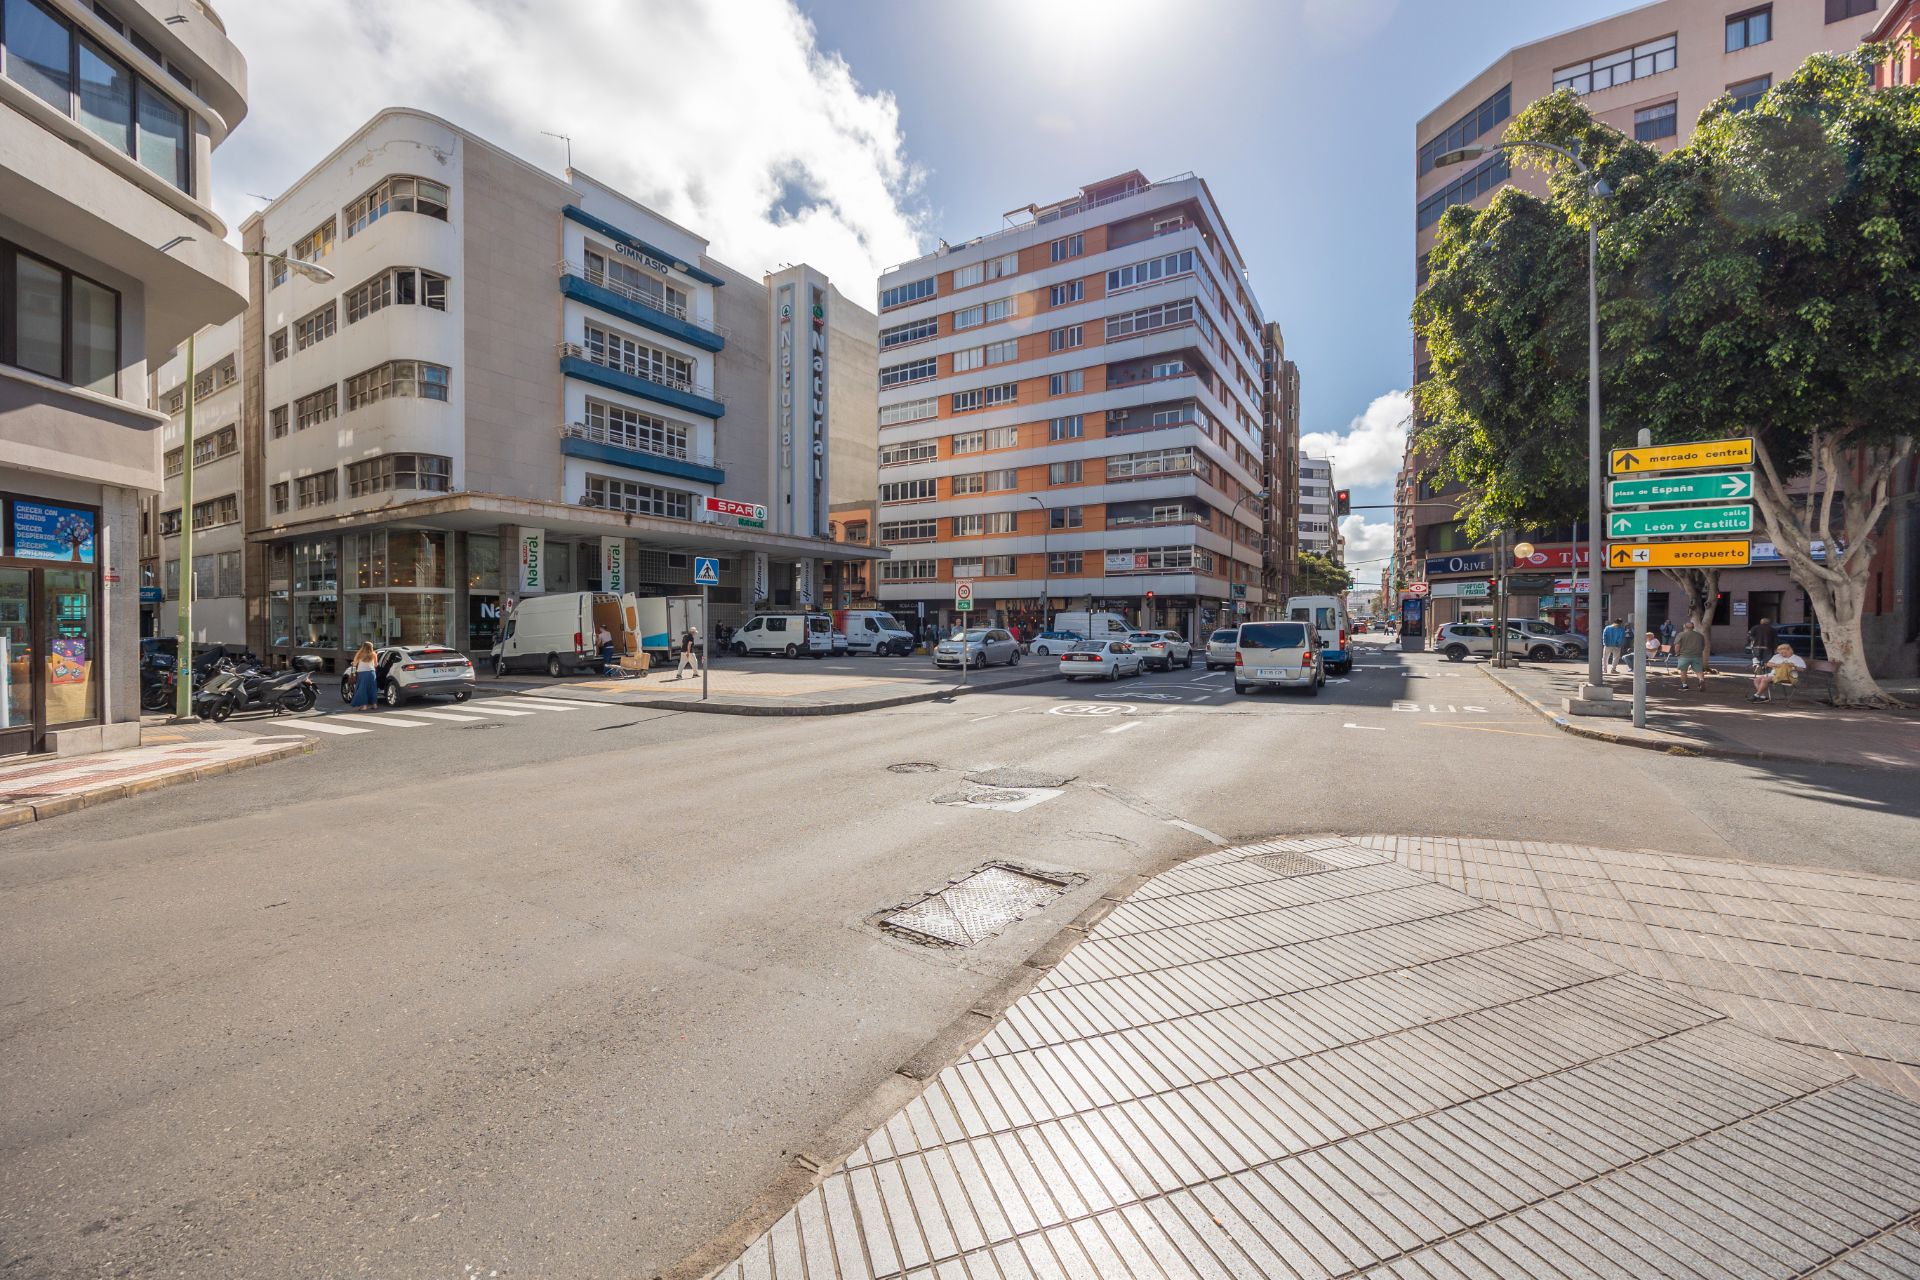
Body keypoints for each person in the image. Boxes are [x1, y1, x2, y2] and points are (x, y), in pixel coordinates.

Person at [1672, 621, 1708, 690]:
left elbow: (1677, 645)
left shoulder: (1681, 635)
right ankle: (1701, 680)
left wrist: (1677, 653)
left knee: (1683, 671)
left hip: (1684, 656)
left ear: (1684, 627)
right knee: (1699, 671)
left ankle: (1684, 685)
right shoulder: (1700, 635)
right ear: (1693, 627)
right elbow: (1703, 646)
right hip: (1697, 656)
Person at [349, 641, 379, 709]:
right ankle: (374, 705)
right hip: (372, 673)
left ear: (363, 647)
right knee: (373, 689)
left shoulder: (359, 654)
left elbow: (354, 664)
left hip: (362, 673)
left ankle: (364, 706)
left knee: (363, 689)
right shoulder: (374, 654)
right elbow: (376, 664)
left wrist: (353, 664)